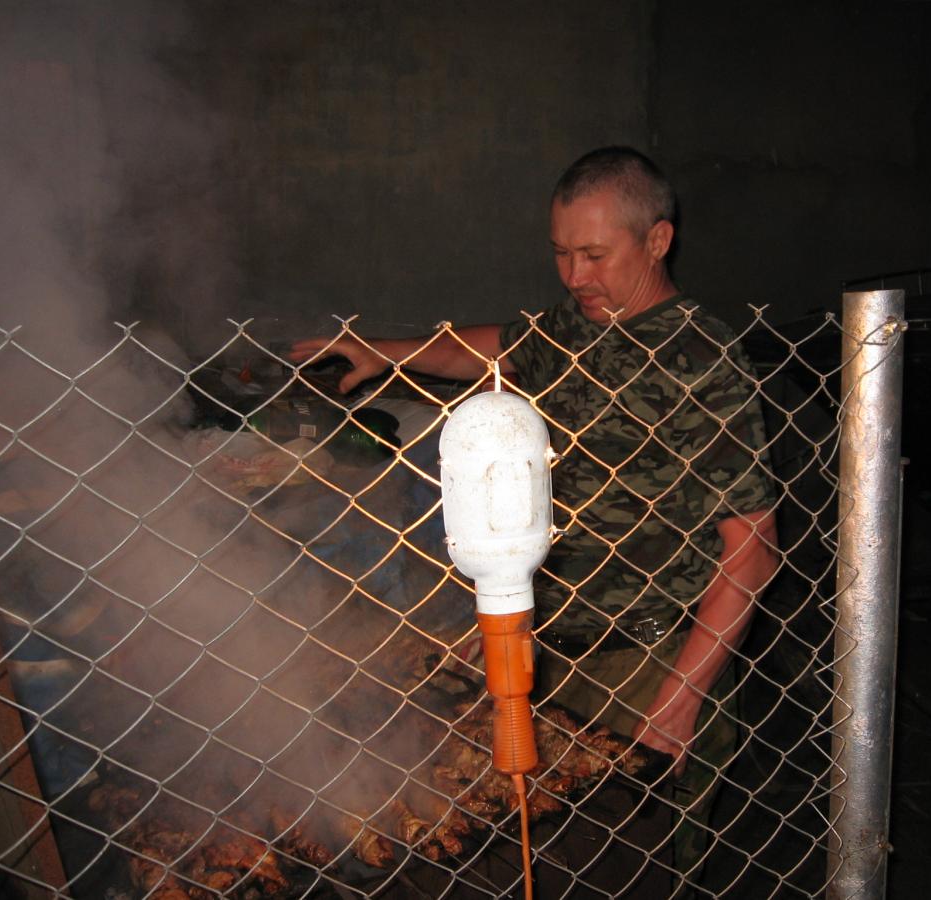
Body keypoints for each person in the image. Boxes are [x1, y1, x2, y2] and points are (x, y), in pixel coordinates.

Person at [291, 147, 778, 886]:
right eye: (560, 254)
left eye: (593, 254)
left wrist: (679, 701)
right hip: (555, 646)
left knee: (642, 868)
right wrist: (382, 353)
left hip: (653, 650)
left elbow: (754, 550)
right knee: (557, 860)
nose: (573, 276)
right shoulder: (578, 325)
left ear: (656, 240)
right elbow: (490, 347)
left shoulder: (699, 360)